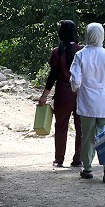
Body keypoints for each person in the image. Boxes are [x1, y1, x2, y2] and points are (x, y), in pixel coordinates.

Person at [70, 22, 105, 182]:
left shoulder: (81, 55)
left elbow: (75, 79)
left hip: (87, 102)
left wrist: (76, 88)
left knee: (88, 137)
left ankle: (88, 168)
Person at [38, 20, 83, 168]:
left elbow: (53, 75)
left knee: (61, 126)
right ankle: (78, 158)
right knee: (80, 127)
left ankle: (59, 159)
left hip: (63, 94)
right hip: (80, 93)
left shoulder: (57, 52)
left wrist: (45, 95)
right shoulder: (82, 50)